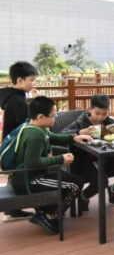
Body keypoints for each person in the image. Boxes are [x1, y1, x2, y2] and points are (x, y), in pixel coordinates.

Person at [12, 96, 91, 234]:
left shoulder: (34, 126)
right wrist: (60, 159)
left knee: (69, 179)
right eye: (53, 116)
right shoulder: (35, 135)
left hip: (29, 176)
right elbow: (32, 163)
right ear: (41, 116)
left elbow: (53, 137)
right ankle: (49, 216)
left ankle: (45, 210)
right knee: (75, 184)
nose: (55, 118)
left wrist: (73, 138)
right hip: (29, 180)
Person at [61, 94, 114, 211]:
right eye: (97, 113)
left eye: (104, 114)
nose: (100, 117)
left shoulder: (109, 122)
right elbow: (62, 133)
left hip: (108, 158)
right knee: (101, 182)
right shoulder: (82, 122)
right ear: (90, 110)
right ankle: (83, 196)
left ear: (108, 111)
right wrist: (79, 132)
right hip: (86, 159)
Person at [0, 61, 39, 222]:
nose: (33, 83)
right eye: (32, 80)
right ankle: (16, 209)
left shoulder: (12, 96)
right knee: (22, 174)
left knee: (15, 174)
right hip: (17, 144)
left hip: (11, 142)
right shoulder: (17, 99)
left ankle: (11, 209)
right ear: (20, 80)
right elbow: (28, 121)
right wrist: (37, 103)